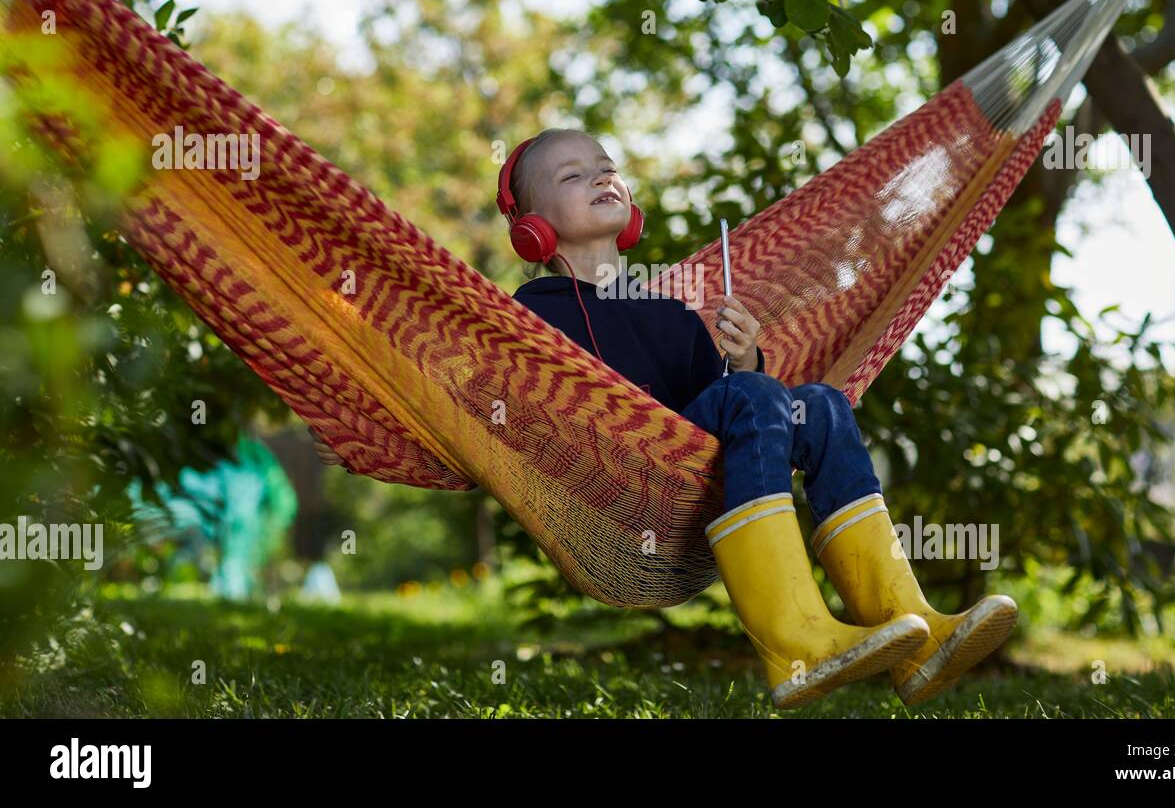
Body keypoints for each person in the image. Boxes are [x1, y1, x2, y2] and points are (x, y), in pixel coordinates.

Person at [316, 127, 1018, 708]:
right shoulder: (524, 321)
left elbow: (735, 413)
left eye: (607, 167)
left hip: (695, 482)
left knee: (825, 402)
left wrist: (744, 359)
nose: (600, 177)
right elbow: (477, 404)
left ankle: (913, 630)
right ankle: (795, 639)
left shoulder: (671, 315)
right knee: (765, 394)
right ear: (531, 230)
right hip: (620, 492)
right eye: (571, 176)